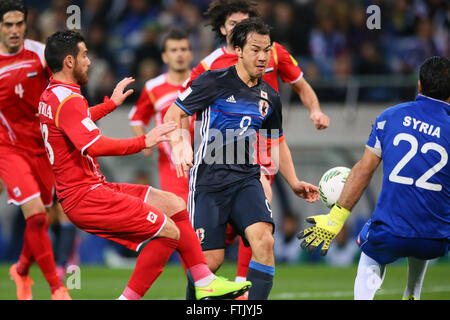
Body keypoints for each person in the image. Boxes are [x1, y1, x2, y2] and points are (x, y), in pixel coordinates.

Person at [39, 29, 251, 300]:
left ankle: (205, 281)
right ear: (69, 61)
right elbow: (94, 145)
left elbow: (73, 121)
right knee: (168, 232)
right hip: (85, 197)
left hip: (91, 189)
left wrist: (110, 105)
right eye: (84, 55)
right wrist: (143, 140)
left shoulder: (52, 95)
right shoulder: (69, 99)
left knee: (174, 205)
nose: (89, 61)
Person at [164, 18, 319, 300]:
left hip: (247, 179)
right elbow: (174, 114)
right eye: (255, 49)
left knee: (264, 242)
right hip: (209, 180)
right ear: (238, 50)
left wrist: (294, 181)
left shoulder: (270, 97)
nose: (262, 57)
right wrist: (179, 144)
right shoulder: (213, 81)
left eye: (267, 50)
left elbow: (277, 142)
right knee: (210, 262)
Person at [298, 56, 449, 300]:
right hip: (436, 240)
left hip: (391, 233)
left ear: (419, 85)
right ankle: (412, 293)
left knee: (371, 248)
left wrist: (335, 219)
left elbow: (364, 171)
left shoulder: (390, 117)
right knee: (421, 225)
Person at [0, 0, 70, 300]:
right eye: (8, 25)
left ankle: (22, 269)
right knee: (38, 217)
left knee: (42, 216)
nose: (14, 30)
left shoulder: (40, 54)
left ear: (25, 24)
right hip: (9, 148)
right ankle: (57, 288)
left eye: (19, 24)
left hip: (42, 149)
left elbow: (65, 83)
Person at [129, 28, 194, 205]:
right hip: (171, 167)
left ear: (190, 54)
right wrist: (144, 142)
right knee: (182, 216)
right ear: (165, 57)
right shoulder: (153, 87)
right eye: (174, 50)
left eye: (183, 49)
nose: (179, 54)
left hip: (205, 162)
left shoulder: (202, 81)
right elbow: (136, 117)